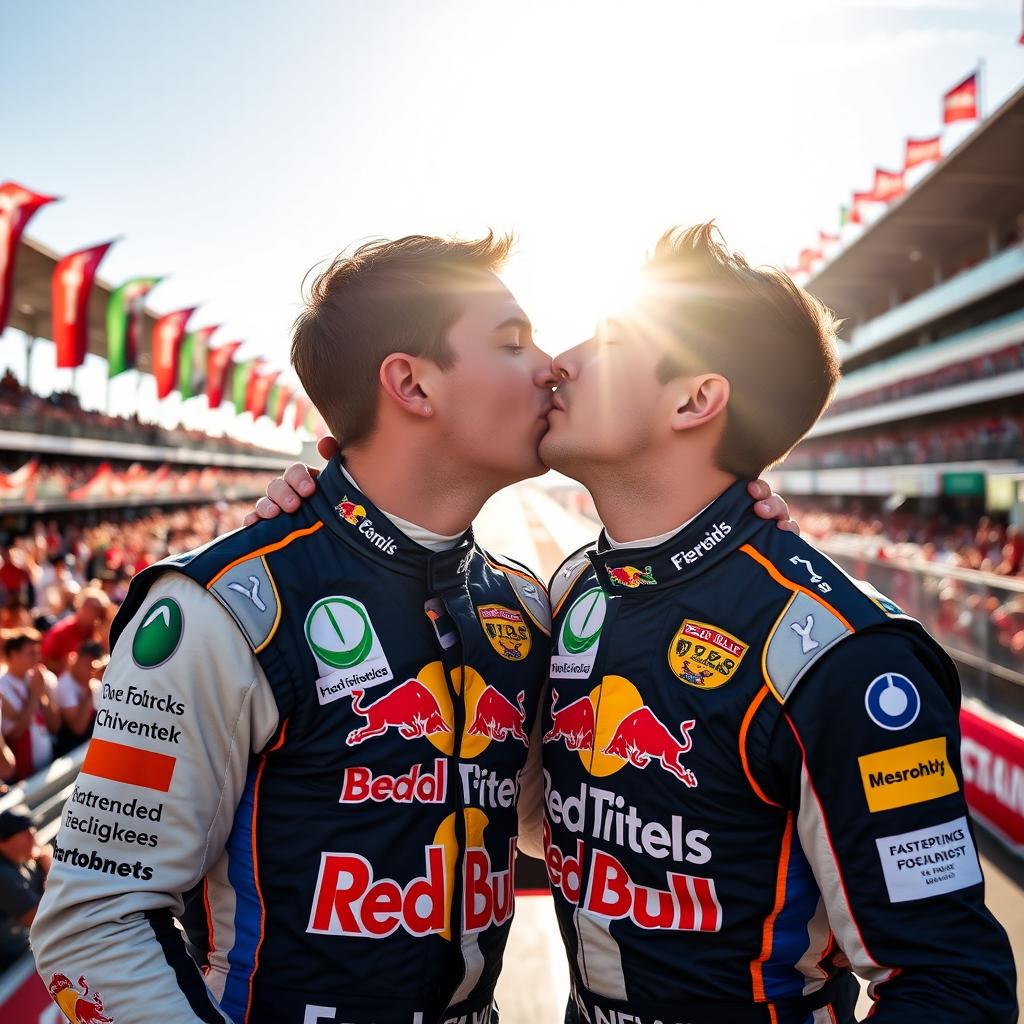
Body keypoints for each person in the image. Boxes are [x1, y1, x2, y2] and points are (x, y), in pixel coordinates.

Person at [258, 225, 1017, 1022]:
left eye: (610, 341)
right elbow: (524, 818)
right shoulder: (574, 592)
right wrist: (324, 533)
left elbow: (954, 985)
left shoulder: (841, 653)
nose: (562, 362)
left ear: (695, 400)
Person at [0, 629, 61, 781]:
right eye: (31, 653)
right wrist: (34, 696)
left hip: (47, 766)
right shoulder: (2, 686)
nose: (38, 658)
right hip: (22, 775)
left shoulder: (40, 678)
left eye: (38, 652)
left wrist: (42, 695)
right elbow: (15, 734)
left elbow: (55, 726)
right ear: (14, 654)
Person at [0, 804, 50, 971]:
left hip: (25, 955)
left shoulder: (28, 858)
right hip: (10, 973)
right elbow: (41, 920)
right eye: (23, 831)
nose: (32, 834)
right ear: (2, 842)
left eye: (32, 827)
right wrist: (51, 870)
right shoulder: (3, 875)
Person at [39, 587, 110, 675]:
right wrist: (66, 667)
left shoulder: (98, 633)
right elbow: (43, 661)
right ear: (81, 607)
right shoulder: (61, 631)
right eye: (94, 609)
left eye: (100, 611)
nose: (97, 615)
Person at [53, 640, 104, 756]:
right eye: (88, 665)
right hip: (69, 754)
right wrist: (90, 692)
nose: (91, 671)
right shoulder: (64, 685)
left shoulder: (95, 683)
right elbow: (78, 728)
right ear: (77, 659)